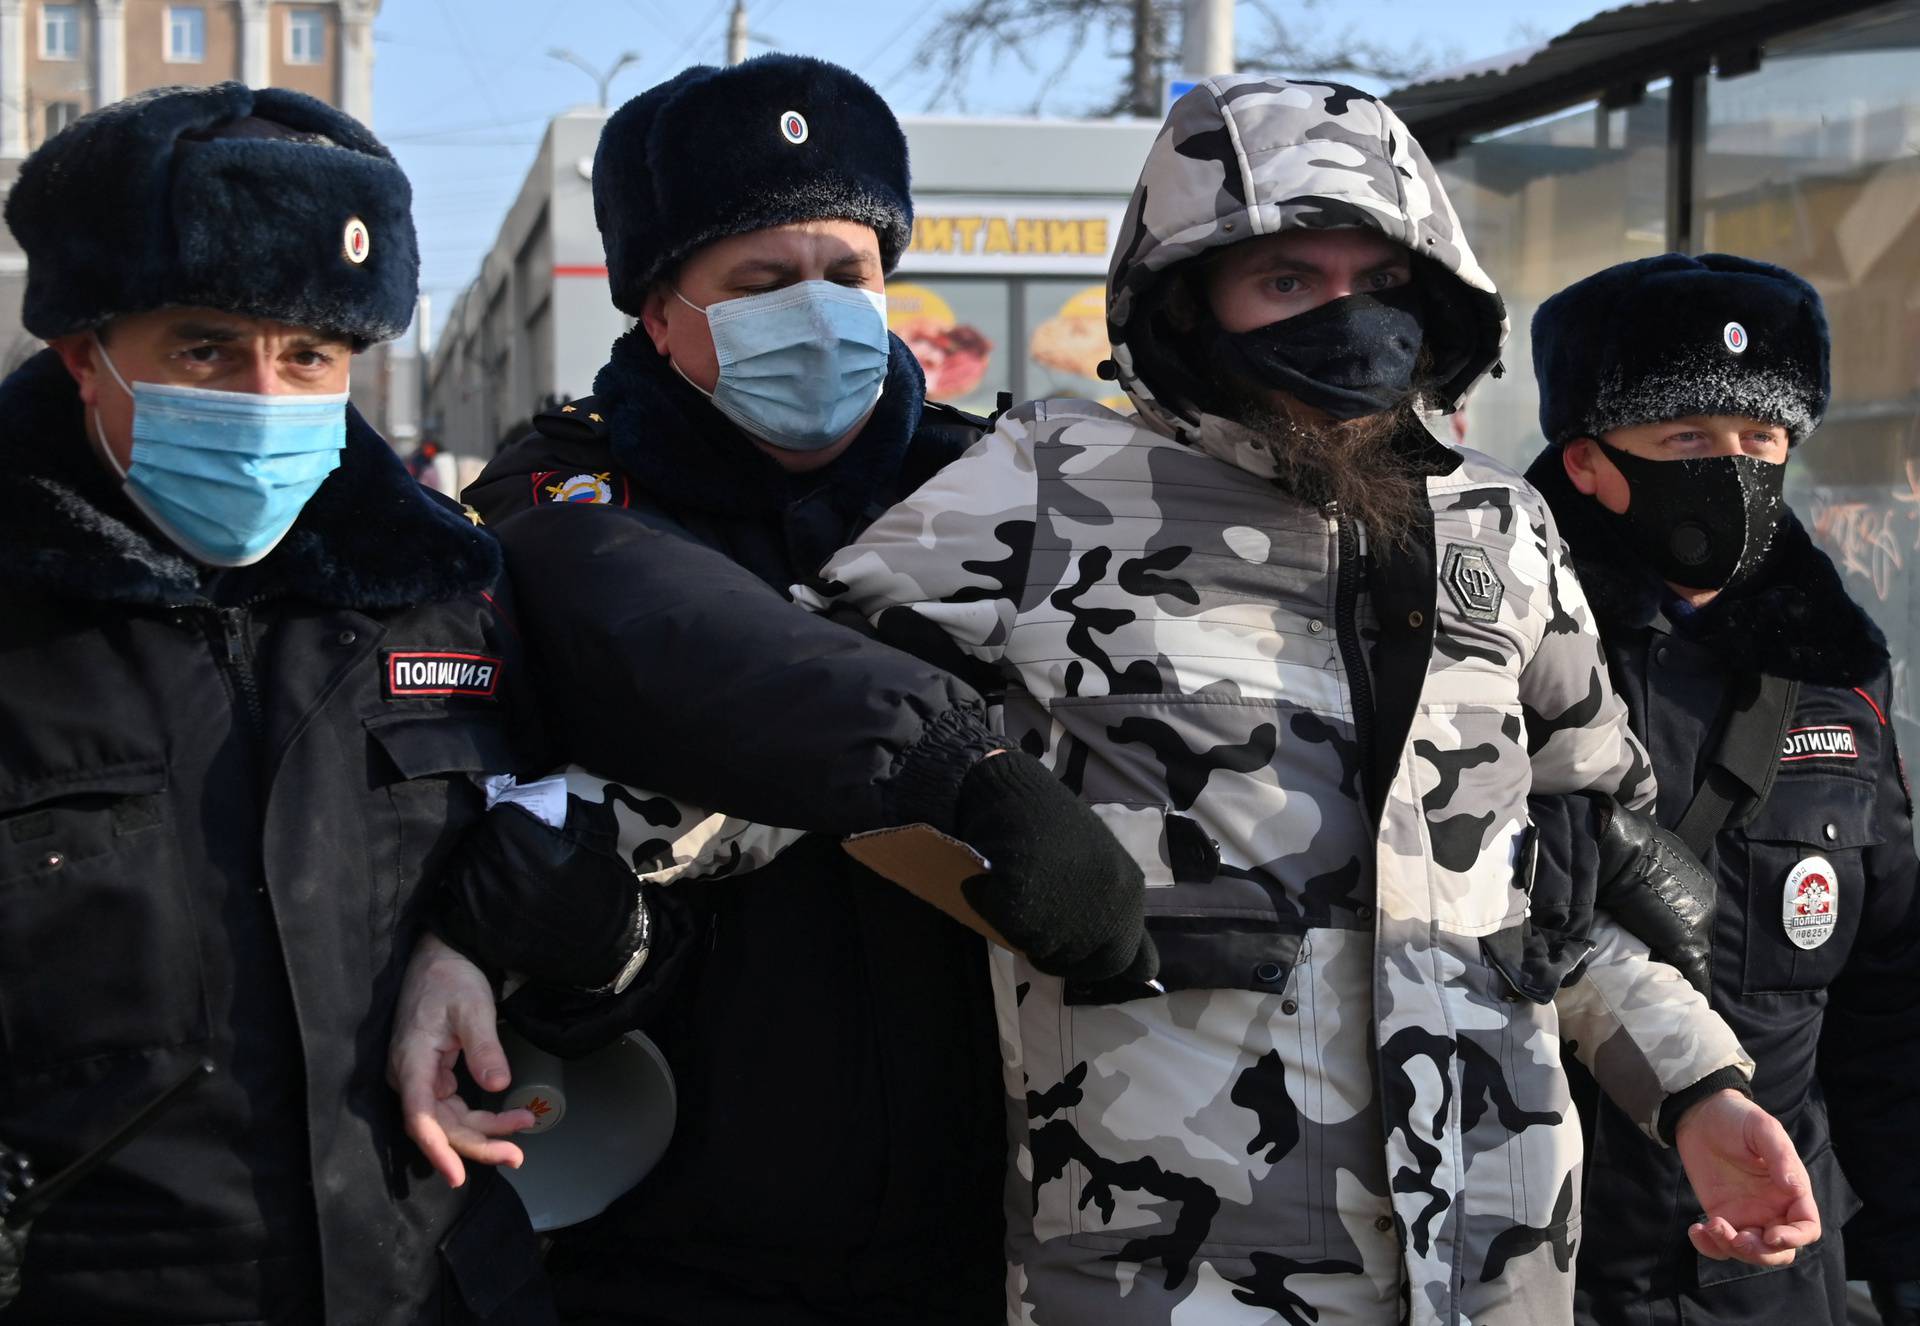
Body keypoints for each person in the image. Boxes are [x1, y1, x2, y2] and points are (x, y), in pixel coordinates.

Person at [434, 77, 1826, 1324]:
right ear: (1190, 289)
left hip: (1495, 1251)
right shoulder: (1044, 491)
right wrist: (491, 928)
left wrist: (1698, 1091)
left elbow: (1570, 887)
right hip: (1174, 1261)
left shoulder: (1503, 537)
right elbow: (792, 730)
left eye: (1375, 276)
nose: (1343, 314)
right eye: (1288, 277)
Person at [391, 54, 1154, 1326]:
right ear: (659, 315)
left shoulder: (996, 494)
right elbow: (655, 633)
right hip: (669, 1232)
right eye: (761, 281)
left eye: (847, 274)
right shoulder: (559, 508)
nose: (819, 309)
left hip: (986, 1226)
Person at [0, 84, 553, 1323]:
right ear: (84, 351)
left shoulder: (443, 596)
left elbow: (561, 823)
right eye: (204, 346)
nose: (265, 395)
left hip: (437, 1285)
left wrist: (485, 940)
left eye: (310, 353)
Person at [1522, 253, 1920, 1325]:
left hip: (1771, 1264)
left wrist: (1905, 1239)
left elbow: (1887, 987)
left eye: (1761, 441)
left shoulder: (1839, 673)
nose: (1734, 470)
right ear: (1589, 462)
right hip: (1541, 1266)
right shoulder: (1494, 660)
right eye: (1686, 439)